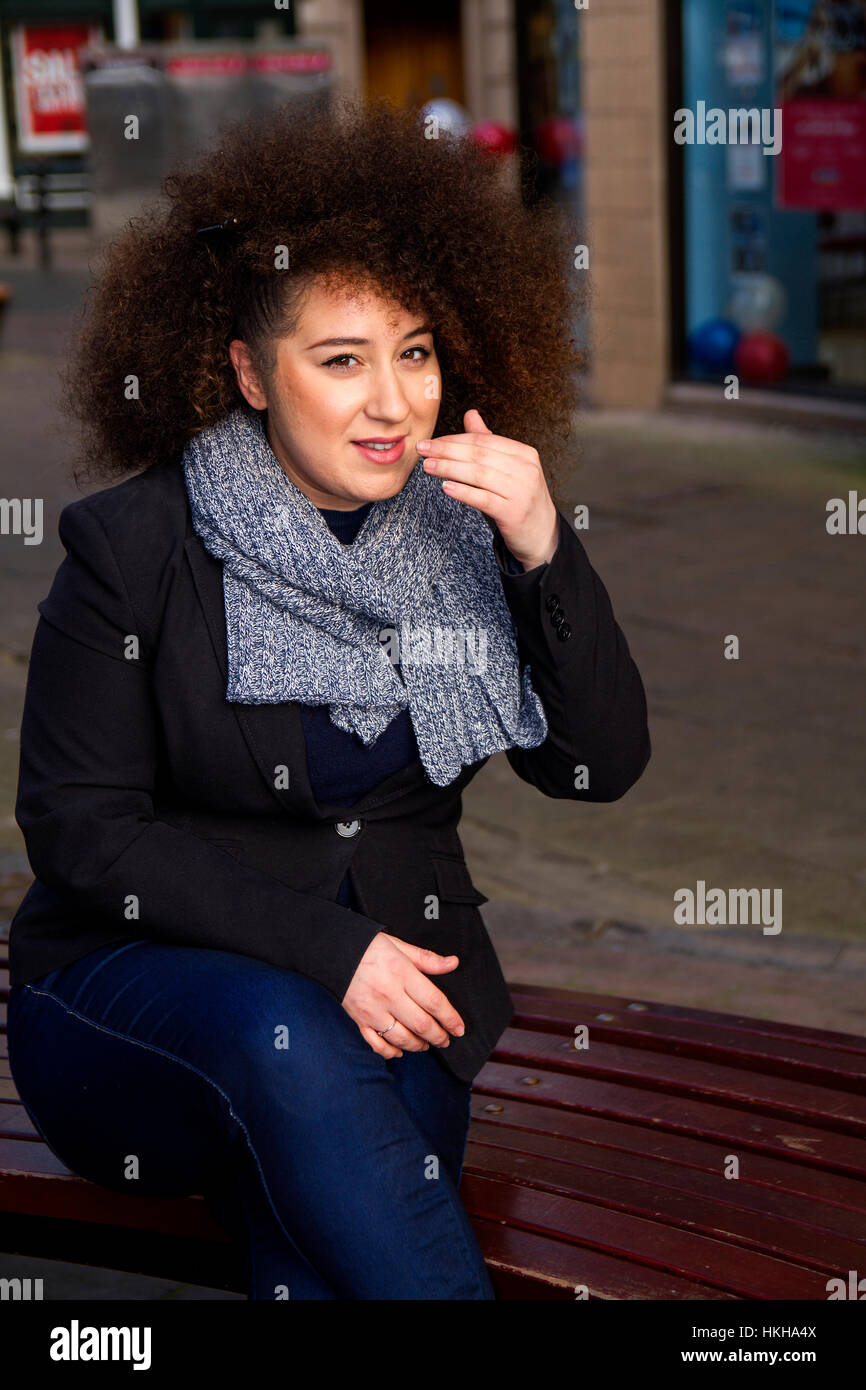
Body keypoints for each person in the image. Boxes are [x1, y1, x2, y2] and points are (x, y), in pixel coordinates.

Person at [6, 96, 651, 1300]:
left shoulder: (467, 537)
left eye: (412, 351)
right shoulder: (137, 546)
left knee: (318, 1247)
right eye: (341, 359)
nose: (391, 402)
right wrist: (332, 949)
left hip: (400, 1006)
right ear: (249, 372)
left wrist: (541, 551)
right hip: (135, 1000)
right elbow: (83, 830)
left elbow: (595, 763)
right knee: (282, 1039)